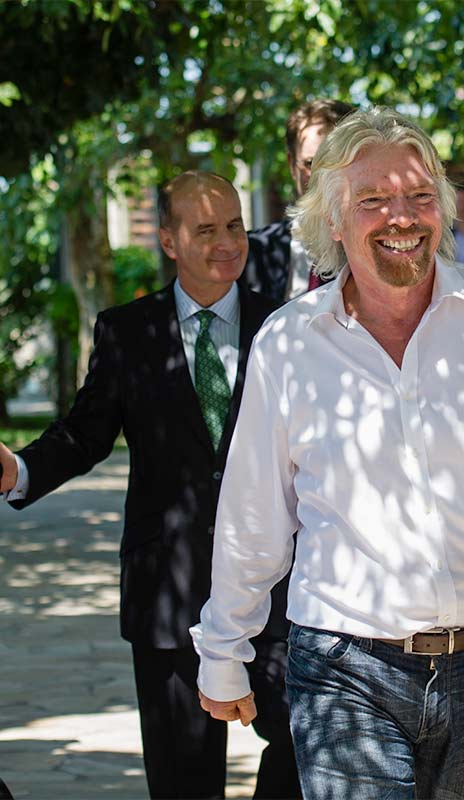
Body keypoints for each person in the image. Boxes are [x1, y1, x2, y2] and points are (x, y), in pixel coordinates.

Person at [191, 109, 464, 800]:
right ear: (334, 221)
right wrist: (223, 651)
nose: (402, 217)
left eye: (420, 197)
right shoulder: (289, 342)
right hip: (342, 667)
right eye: (373, 201)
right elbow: (254, 517)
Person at [0, 171, 300, 800]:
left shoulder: (288, 330)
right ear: (168, 240)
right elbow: (85, 436)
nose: (226, 243)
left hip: (280, 590)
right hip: (169, 593)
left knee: (304, 747)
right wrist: (21, 470)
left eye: (235, 226)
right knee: (183, 784)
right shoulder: (127, 333)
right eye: (206, 230)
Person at [244, 98, 355, 304]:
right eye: (311, 163)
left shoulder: (382, 247)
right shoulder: (250, 252)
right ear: (291, 164)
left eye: (335, 161)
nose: (323, 175)